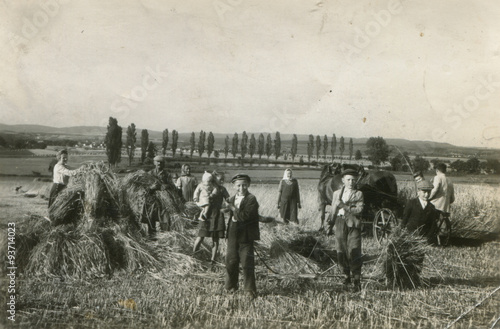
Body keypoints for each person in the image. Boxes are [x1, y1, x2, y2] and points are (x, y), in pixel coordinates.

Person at [225, 173, 260, 299]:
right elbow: (223, 209)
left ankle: (250, 290)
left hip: (246, 235)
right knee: (230, 261)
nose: (242, 188)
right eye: (239, 185)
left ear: (248, 185)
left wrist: (232, 208)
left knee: (246, 263)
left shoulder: (251, 199)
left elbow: (245, 216)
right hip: (233, 233)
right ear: (234, 186)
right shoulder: (231, 199)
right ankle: (230, 287)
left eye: (244, 185)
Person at [330, 169, 364, 292]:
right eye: (348, 179)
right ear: (343, 180)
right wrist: (330, 224)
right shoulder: (336, 194)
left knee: (354, 250)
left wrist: (344, 206)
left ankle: (356, 280)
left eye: (353, 180)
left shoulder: (359, 194)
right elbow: (333, 210)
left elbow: (359, 210)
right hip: (340, 223)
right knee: (341, 251)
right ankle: (345, 276)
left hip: (353, 224)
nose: (351, 182)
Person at [192, 171, 230, 264]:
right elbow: (199, 197)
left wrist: (227, 207)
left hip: (217, 215)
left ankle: (213, 260)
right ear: (214, 178)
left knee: (215, 239)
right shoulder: (207, 186)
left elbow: (228, 199)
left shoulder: (222, 189)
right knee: (201, 236)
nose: (222, 181)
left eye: (223, 180)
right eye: (220, 179)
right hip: (206, 215)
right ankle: (193, 255)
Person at [144, 155, 174, 237]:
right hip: (152, 199)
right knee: (151, 216)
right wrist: (151, 188)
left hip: (163, 200)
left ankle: (165, 236)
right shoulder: (149, 174)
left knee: (165, 217)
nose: (159, 163)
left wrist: (166, 186)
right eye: (157, 162)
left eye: (161, 162)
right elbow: (144, 188)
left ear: (163, 164)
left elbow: (172, 185)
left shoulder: (167, 174)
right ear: (154, 163)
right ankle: (151, 236)